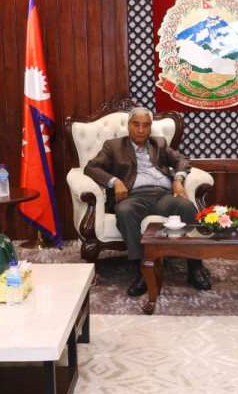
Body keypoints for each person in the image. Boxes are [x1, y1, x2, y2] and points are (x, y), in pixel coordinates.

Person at [84, 106, 211, 297]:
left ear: (150, 127)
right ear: (129, 125)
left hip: (163, 195)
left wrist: (178, 180)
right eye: (136, 125)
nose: (141, 130)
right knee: (124, 211)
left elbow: (182, 160)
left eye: (145, 125)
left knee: (187, 206)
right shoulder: (113, 146)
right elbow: (91, 167)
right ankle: (143, 269)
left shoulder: (159, 143)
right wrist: (115, 181)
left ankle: (195, 267)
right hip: (134, 196)